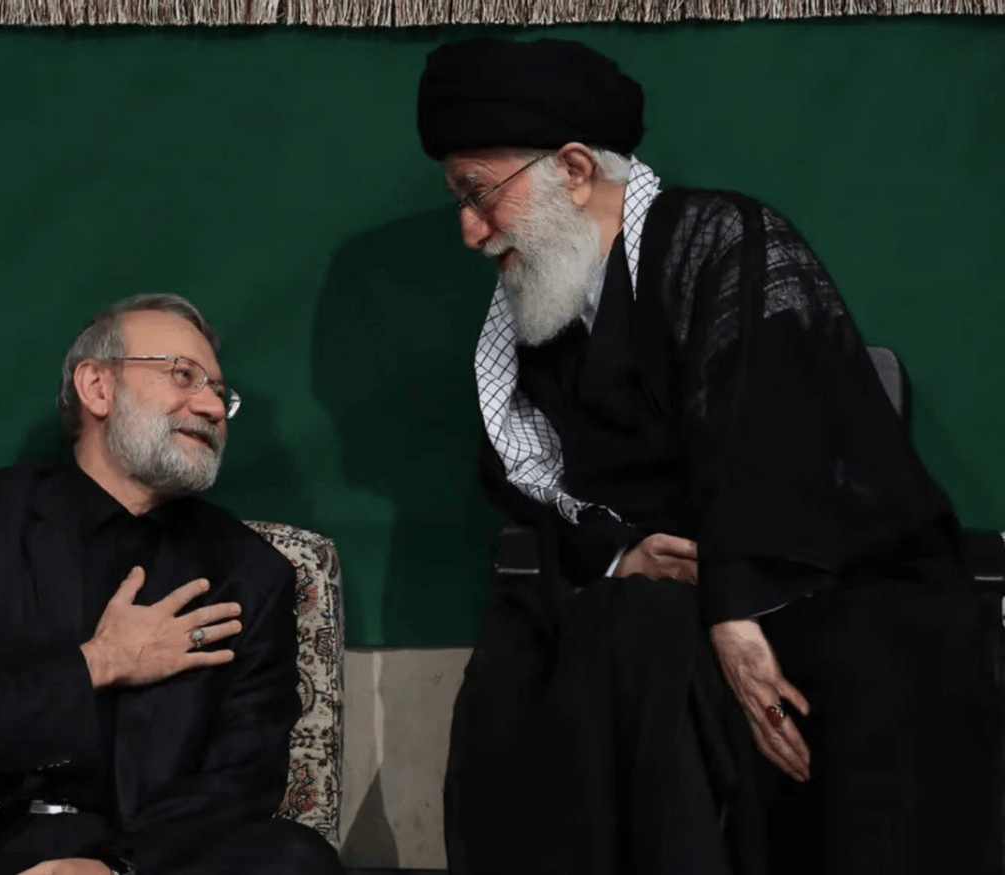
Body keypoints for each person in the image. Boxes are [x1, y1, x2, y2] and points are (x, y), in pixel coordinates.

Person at [416, 38, 1001, 875]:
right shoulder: (534, 304)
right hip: (651, 590)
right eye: (459, 202)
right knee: (586, 644)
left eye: (479, 194)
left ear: (574, 170)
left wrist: (735, 608)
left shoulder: (723, 238)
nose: (470, 231)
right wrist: (619, 554)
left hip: (813, 571)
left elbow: (772, 441)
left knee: (732, 649)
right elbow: (522, 476)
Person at [0, 294, 341, 875]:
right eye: (183, 376)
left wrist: (114, 866)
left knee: (295, 858)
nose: (212, 407)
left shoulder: (250, 572)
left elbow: (241, 781)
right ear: (97, 388)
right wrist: (97, 663)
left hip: (143, 859)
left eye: (220, 393)